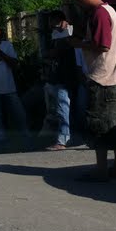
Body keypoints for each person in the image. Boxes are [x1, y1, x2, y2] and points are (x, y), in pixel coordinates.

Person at [67, 0, 116, 181]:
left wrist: (78, 44)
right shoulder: (108, 10)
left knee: (99, 125)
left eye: (78, 0)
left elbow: (102, 45)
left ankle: (102, 170)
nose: (78, 4)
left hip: (104, 77)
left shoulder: (100, 13)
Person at [39, 10, 77, 150]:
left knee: (63, 107)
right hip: (57, 75)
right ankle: (65, 136)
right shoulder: (55, 34)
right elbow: (50, 53)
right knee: (60, 108)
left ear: (61, 20)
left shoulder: (71, 31)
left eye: (53, 22)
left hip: (68, 75)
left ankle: (63, 139)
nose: (51, 26)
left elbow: (59, 52)